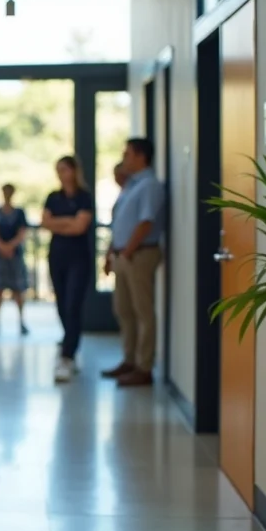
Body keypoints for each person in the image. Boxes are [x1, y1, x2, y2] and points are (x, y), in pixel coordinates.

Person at [102, 138, 165, 386]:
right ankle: (129, 360)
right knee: (124, 310)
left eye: (127, 153)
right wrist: (111, 254)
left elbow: (146, 221)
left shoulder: (149, 185)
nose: (124, 157)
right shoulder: (131, 186)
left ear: (141, 156)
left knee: (143, 311)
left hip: (139, 255)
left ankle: (144, 367)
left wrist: (127, 251)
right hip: (123, 255)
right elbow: (120, 223)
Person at [42, 156, 95, 383]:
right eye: (58, 170)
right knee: (62, 304)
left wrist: (59, 223)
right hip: (57, 257)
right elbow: (46, 223)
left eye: (64, 169)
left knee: (73, 304)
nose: (61, 174)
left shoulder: (85, 197)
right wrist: (68, 222)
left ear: (74, 171)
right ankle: (69, 341)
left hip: (79, 259)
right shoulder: (53, 197)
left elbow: (80, 227)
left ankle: (67, 356)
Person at [0, 184, 29, 335]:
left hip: (15, 255)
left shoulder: (19, 213)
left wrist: (10, 246)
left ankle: (22, 321)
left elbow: (22, 233)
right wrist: (2, 247)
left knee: (18, 289)